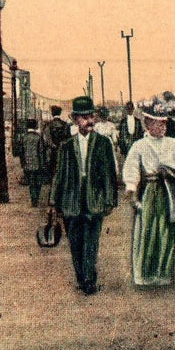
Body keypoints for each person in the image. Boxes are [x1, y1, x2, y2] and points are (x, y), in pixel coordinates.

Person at [48, 96, 119, 296]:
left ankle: (89, 279)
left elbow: (109, 174)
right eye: (83, 117)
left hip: (94, 201)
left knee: (91, 242)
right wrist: (53, 202)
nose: (88, 120)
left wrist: (110, 199)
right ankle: (81, 276)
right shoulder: (66, 147)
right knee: (75, 242)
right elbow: (59, 175)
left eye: (91, 116)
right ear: (75, 119)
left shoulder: (104, 143)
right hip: (71, 203)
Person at [123, 93, 175, 288]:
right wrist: (132, 190)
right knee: (149, 230)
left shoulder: (172, 143)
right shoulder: (140, 145)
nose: (162, 127)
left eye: (164, 124)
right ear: (147, 124)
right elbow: (131, 168)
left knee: (169, 231)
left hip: (171, 190)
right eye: (157, 123)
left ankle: (164, 273)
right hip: (151, 190)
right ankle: (145, 274)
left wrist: (169, 167)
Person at [21, 120, 47, 206]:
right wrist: (43, 164)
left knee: (31, 183)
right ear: (35, 126)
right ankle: (37, 197)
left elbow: (21, 152)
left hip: (27, 164)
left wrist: (23, 164)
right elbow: (41, 151)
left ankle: (33, 199)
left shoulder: (24, 137)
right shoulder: (38, 137)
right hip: (38, 163)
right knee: (38, 182)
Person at [42, 105, 71, 182]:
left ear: (52, 113)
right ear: (60, 113)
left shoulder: (48, 125)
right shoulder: (65, 125)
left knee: (52, 172)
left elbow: (46, 139)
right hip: (63, 151)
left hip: (51, 152)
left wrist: (52, 145)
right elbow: (69, 139)